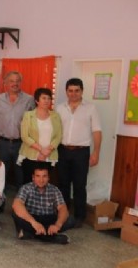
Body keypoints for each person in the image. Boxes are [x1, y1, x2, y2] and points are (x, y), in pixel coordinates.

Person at [56, 78, 102, 228]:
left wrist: (96, 152)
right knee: (63, 184)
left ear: (82, 91)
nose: (73, 94)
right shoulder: (60, 108)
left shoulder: (91, 108)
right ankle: (63, 214)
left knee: (79, 186)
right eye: (70, 90)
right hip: (62, 150)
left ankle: (79, 216)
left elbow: (97, 131)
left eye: (77, 90)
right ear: (66, 91)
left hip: (81, 152)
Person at [0, 71, 35, 187]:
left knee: (21, 174)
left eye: (18, 81)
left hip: (21, 144)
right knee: (0, 174)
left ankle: (22, 200)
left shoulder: (29, 100)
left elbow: (34, 122)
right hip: (1, 144)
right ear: (5, 83)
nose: (15, 83)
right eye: (12, 81)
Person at [11, 167, 73, 244]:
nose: (41, 180)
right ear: (33, 177)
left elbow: (62, 208)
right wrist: (34, 223)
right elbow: (17, 204)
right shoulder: (26, 188)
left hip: (49, 219)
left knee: (70, 219)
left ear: (48, 178)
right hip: (32, 218)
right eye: (38, 176)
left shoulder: (54, 190)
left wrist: (57, 225)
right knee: (15, 213)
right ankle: (51, 237)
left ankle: (31, 234)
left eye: (44, 176)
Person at [18, 88, 62, 184]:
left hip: (49, 156)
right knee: (29, 183)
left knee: (45, 184)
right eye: (44, 98)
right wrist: (41, 150)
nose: (47, 101)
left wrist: (47, 151)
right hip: (30, 156)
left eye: (49, 98)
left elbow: (58, 136)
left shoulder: (55, 116)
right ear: (37, 100)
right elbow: (25, 136)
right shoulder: (28, 115)